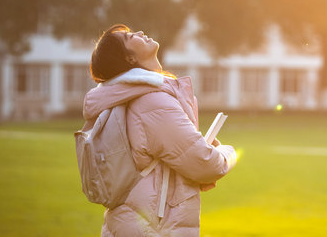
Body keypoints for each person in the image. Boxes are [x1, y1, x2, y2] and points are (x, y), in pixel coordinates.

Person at [83, 24, 237, 236]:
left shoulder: (133, 96)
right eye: (129, 37)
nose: (138, 32)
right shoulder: (152, 101)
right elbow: (205, 164)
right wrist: (228, 153)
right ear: (129, 59)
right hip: (154, 228)